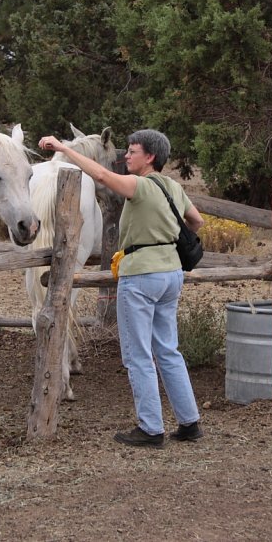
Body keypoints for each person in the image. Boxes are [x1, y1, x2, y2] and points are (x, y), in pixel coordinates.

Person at [38, 128, 204, 448]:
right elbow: (195, 221)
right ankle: (189, 422)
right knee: (168, 350)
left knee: (137, 355)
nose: (125, 156)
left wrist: (62, 147)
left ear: (150, 157)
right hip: (170, 273)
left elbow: (100, 173)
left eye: (132, 151)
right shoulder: (172, 186)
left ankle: (151, 427)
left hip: (141, 275)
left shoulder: (138, 186)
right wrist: (165, 232)